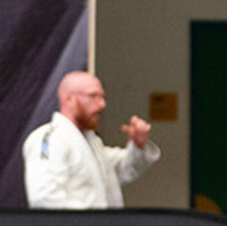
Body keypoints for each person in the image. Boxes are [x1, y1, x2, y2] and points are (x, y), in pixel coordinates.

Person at [22, 71, 161, 208]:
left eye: (102, 97)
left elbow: (124, 169)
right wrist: (90, 221)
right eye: (93, 96)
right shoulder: (50, 139)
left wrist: (138, 145)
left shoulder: (91, 142)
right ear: (70, 99)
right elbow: (44, 197)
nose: (102, 104)